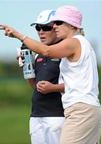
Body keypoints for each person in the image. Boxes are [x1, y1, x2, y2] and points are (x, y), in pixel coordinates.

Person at [0, 5, 101, 144]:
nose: (54, 27)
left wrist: (19, 35)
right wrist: (27, 67)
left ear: (72, 25)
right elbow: (37, 82)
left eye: (58, 23)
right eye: (53, 24)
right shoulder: (78, 43)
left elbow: (46, 51)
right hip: (79, 109)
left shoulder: (74, 42)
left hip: (79, 110)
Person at [18, 10, 64, 144]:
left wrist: (53, 88)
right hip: (36, 115)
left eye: (46, 27)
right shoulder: (39, 54)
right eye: (38, 28)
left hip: (58, 116)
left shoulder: (65, 51)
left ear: (56, 28)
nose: (41, 32)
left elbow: (77, 85)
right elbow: (35, 86)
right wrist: (27, 68)